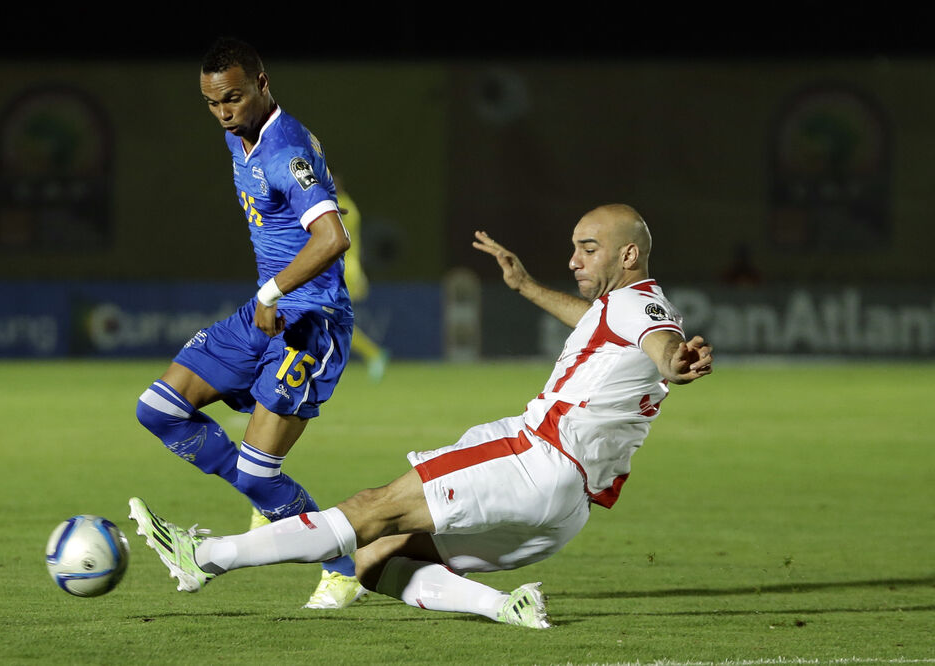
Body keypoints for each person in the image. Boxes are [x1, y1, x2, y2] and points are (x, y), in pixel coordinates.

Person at [129, 204, 714, 628]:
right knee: (375, 560)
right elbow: (604, 325)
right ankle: (506, 607)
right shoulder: (621, 310)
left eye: (589, 248)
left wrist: (677, 358)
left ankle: (203, 558)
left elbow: (660, 339)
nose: (574, 258)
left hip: (535, 459)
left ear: (629, 253)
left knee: (368, 511)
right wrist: (527, 286)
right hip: (568, 512)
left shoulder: (644, 307)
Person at [133, 36, 365, 610]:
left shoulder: (285, 149)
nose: (223, 112)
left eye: (233, 98)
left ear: (263, 84)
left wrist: (270, 289)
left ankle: (340, 565)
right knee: (159, 409)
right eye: (212, 103)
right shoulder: (243, 136)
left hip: (312, 321)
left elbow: (334, 237)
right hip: (263, 313)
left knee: (262, 474)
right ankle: (269, 502)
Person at [335, 176, 390, 382]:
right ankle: (373, 355)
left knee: (337, 320)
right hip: (344, 270)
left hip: (344, 271)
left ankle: (374, 354)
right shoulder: (347, 205)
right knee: (335, 320)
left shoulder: (342, 207)